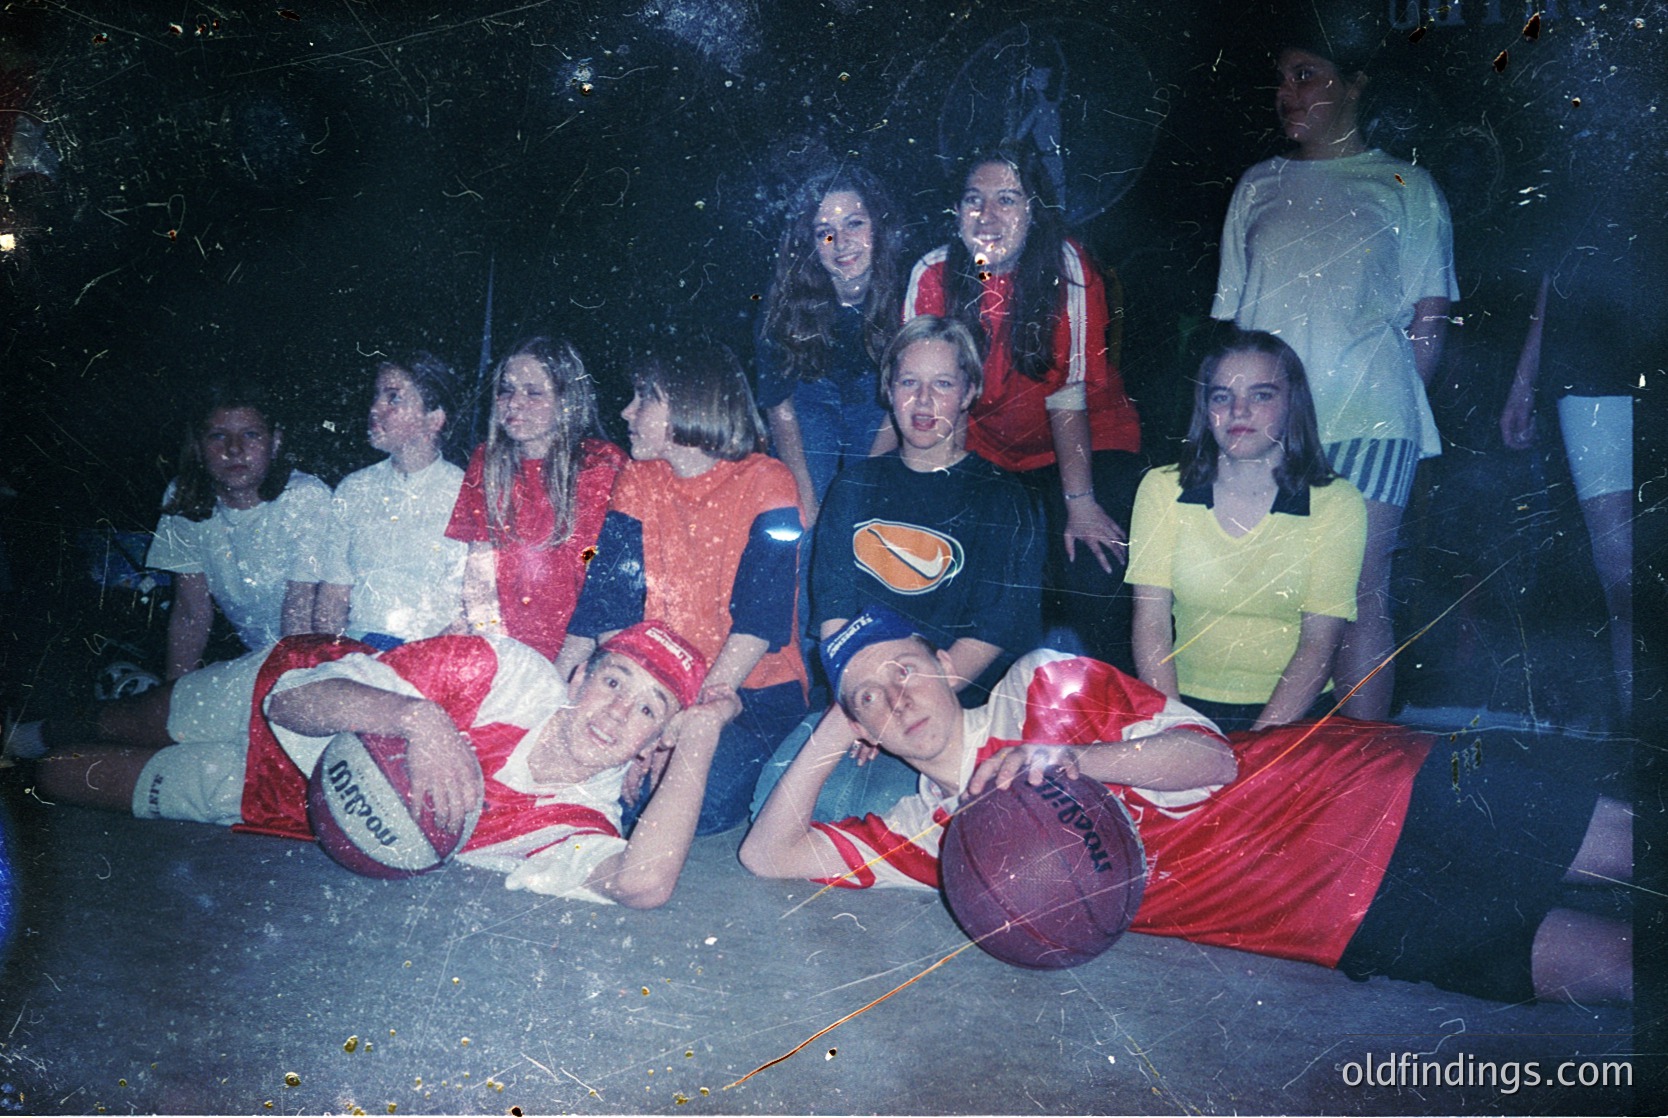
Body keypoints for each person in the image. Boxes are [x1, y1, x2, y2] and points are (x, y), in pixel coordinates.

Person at [742, 607, 1633, 1005]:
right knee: (1618, 966)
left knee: (1628, 847)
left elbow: (1211, 757)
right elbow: (766, 856)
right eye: (870, 698)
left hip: (1363, 788)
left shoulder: (1041, 686)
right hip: (1339, 918)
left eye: (904, 668)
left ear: (944, 665)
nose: (896, 697)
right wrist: (832, 727)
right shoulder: (938, 843)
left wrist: (1074, 759)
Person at [21, 622, 717, 908]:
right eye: (614, 681)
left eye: (648, 710)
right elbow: (293, 704)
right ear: (580, 677)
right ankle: (26, 727)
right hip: (289, 690)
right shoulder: (501, 668)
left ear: (653, 743)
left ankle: (30, 756)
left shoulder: (580, 819)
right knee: (118, 720)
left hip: (291, 803)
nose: (617, 713)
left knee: (59, 778)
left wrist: (703, 733)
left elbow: (644, 883)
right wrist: (418, 719)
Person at [1211, 27, 1458, 720]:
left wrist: (1393, 411)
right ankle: (1278, 760)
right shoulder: (1257, 184)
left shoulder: (1406, 184)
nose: (1287, 93)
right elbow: (1234, 325)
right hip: (1268, 427)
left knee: (1356, 593)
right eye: (1282, 78)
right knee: (1271, 593)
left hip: (1371, 420)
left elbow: (1430, 316)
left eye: (1307, 75)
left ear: (1355, 84)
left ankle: (1363, 764)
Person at [752, 315, 1044, 821]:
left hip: (948, 704)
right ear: (888, 390)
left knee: (862, 815)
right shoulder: (854, 486)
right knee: (772, 806)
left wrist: (899, 704)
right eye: (909, 383)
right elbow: (835, 617)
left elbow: (994, 630)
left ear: (969, 392)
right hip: (862, 694)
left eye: (943, 384)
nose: (924, 402)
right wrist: (863, 705)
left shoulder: (1002, 497)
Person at [903, 144, 1143, 671]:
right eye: (974, 200)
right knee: (966, 571)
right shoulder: (933, 275)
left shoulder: (1069, 268)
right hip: (988, 452)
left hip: (1086, 442)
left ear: (1036, 211)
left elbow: (1068, 395)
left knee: (1094, 569)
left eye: (1007, 200)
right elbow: (934, 402)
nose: (987, 216)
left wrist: (1080, 503)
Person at [557, 343, 808, 835]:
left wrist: (671, 728)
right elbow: (610, 608)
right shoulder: (638, 478)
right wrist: (619, 715)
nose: (627, 411)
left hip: (748, 693)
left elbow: (759, 625)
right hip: (652, 688)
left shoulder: (769, 481)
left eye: (644, 398)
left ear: (692, 403)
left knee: (688, 799)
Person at [1126, 329, 1366, 732]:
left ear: (1293, 405)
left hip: (1292, 715)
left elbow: (1319, 644)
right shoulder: (1162, 488)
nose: (1239, 411)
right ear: (1206, 409)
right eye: (1222, 397)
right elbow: (1150, 625)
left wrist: (1256, 746)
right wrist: (1179, 730)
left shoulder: (1337, 503)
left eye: (1261, 395)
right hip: (1181, 707)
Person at [1500, 270, 1634, 717]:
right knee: (1622, 575)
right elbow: (1556, 269)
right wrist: (1523, 382)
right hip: (1596, 366)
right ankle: (1640, 733)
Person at [445, 337, 626, 661]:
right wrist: (496, 651)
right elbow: (479, 571)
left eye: (533, 392)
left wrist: (565, 669)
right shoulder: (487, 461)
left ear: (567, 400)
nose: (514, 403)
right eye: (506, 390)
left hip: (577, 652)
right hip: (504, 646)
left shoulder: (601, 465)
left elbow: (606, 585)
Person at [147, 378, 332, 680]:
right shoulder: (182, 498)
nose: (234, 449)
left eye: (251, 434)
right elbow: (191, 614)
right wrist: (173, 692)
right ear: (197, 447)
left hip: (319, 656)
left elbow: (300, 617)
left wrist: (290, 688)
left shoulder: (305, 497)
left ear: (275, 442)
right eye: (218, 436)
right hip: (260, 659)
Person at [756, 165, 903, 528]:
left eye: (855, 224)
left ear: (878, 227)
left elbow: (905, 397)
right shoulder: (784, 299)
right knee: (801, 514)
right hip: (808, 396)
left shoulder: (908, 290)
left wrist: (862, 489)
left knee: (867, 515)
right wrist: (806, 502)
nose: (841, 242)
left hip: (883, 401)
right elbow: (780, 406)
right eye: (825, 232)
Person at [314, 352, 468, 649]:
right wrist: (336, 655)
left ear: (433, 419)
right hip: (356, 650)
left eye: (393, 398)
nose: (375, 408)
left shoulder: (463, 492)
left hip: (431, 651)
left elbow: (468, 610)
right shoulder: (354, 488)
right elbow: (332, 597)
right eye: (377, 396)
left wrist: (411, 660)